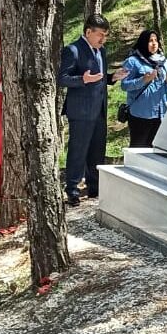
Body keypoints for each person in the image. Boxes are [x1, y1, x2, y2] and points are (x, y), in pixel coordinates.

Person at [58, 14, 127, 207]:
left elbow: (100, 77)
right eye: (100, 35)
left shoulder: (101, 51)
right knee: (78, 151)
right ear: (88, 32)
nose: (103, 39)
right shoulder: (73, 50)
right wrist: (82, 80)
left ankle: (94, 187)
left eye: (105, 35)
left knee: (97, 151)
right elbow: (62, 78)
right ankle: (72, 190)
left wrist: (113, 77)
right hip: (80, 111)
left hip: (99, 110)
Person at [120, 30, 167, 148]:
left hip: (161, 114)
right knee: (138, 149)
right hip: (141, 114)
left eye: (156, 40)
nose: (154, 43)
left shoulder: (164, 62)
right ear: (143, 42)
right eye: (150, 41)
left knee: (157, 150)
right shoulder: (132, 61)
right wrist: (143, 81)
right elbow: (124, 85)